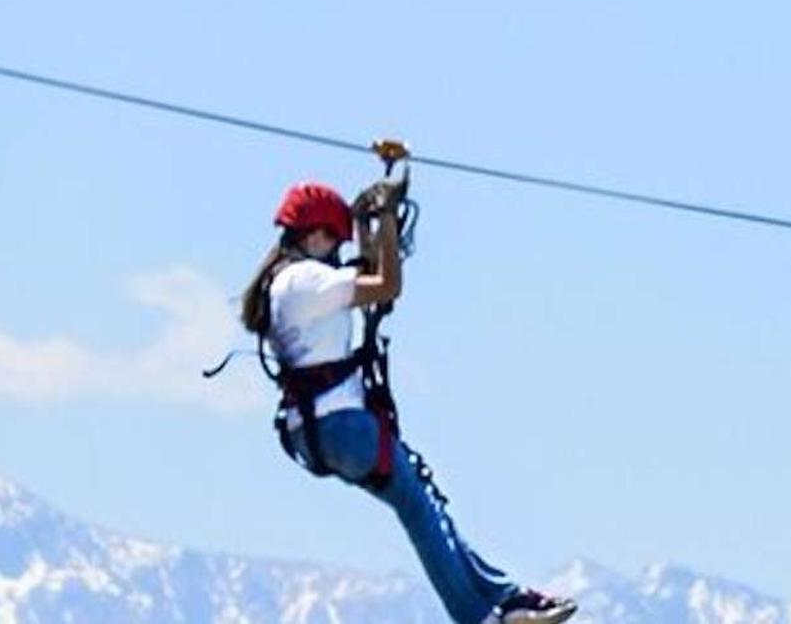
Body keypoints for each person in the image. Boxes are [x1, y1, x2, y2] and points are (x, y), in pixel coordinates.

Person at [241, 180, 577, 624]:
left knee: (422, 505)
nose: (337, 254)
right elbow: (385, 285)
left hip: (316, 433)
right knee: (421, 510)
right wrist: (381, 221)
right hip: (343, 427)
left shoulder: (281, 284)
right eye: (335, 243)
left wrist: (373, 223)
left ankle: (506, 598)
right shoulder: (305, 280)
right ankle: (480, 615)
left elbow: (365, 272)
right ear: (314, 236)